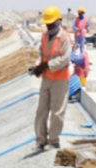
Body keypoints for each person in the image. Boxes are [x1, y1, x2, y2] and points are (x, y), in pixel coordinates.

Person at [31, 6, 71, 151]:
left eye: (51, 24)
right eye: (47, 24)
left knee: (57, 111)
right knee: (41, 110)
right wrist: (37, 66)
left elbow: (65, 59)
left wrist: (47, 65)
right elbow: (42, 55)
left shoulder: (65, 38)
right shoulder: (44, 35)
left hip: (60, 79)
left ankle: (53, 141)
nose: (49, 26)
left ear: (58, 22)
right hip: (47, 78)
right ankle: (41, 140)